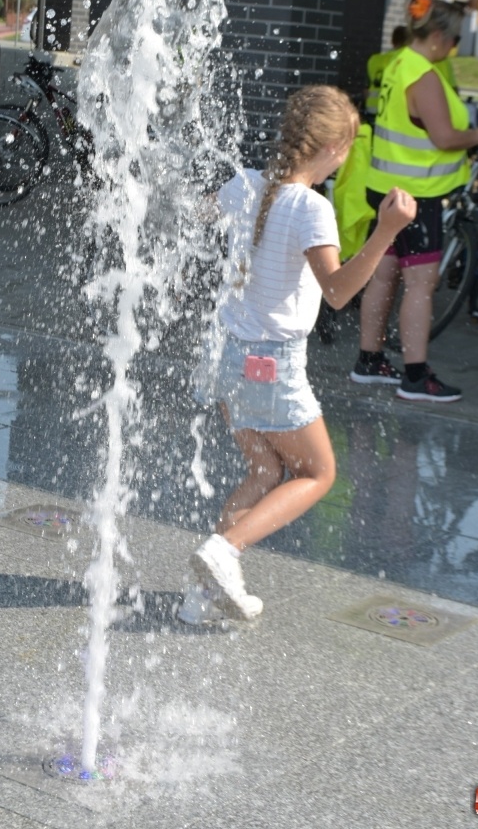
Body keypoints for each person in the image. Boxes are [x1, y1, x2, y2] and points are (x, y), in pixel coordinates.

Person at [182, 85, 416, 623]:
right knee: (318, 473)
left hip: (225, 358)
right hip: (270, 364)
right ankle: (223, 551)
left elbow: (195, 220)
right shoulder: (312, 208)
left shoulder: (245, 184)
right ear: (335, 146)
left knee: (264, 469)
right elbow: (337, 292)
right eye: (351, 144)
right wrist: (386, 232)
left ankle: (203, 596)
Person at [350, 0, 478, 402]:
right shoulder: (425, 75)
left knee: (384, 275)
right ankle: (416, 376)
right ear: (437, 36)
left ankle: (370, 360)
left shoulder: (397, 64)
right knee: (421, 284)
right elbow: (445, 138)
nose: (453, 50)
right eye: (453, 42)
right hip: (417, 195)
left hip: (384, 186)